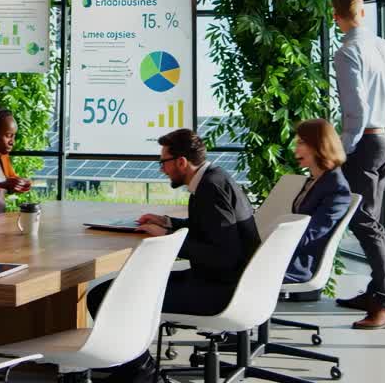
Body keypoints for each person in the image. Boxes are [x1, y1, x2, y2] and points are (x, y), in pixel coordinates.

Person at [86, 128, 259, 383]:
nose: (161, 169)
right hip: (225, 282)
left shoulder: (209, 188)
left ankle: (140, 370)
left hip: (218, 290)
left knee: (105, 295)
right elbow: (210, 230)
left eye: (163, 162)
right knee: (113, 291)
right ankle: (134, 367)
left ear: (181, 162)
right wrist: (168, 222)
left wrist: (167, 239)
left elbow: (224, 254)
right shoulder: (216, 177)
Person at [331, 0, 385, 329]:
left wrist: (343, 149)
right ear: (363, 12)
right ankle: (377, 291)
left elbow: (355, 110)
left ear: (336, 17)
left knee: (363, 222)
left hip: (365, 144)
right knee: (374, 220)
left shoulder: (347, 52)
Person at [284, 119, 353, 284]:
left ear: (319, 145)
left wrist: (268, 245)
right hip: (285, 256)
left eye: (301, 142)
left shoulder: (337, 189)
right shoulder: (314, 180)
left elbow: (311, 234)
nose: (295, 149)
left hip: (298, 265)